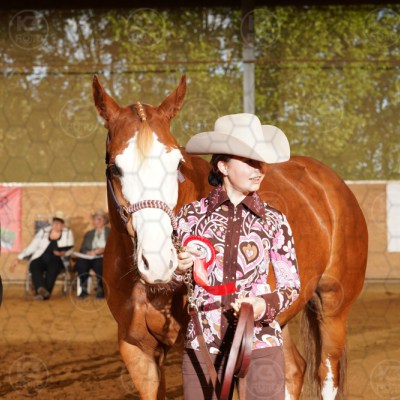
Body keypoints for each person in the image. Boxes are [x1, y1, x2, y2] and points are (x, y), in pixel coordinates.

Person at [175, 113, 301, 400]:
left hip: (261, 341)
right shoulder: (189, 217)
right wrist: (177, 269)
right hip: (203, 342)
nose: (259, 170)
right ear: (223, 166)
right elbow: (167, 283)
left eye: (261, 163)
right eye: (249, 162)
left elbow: (291, 285)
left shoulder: (275, 220)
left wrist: (263, 304)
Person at [10, 211, 74, 300]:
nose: (56, 225)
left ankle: (42, 294)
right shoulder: (43, 231)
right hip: (41, 257)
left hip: (56, 259)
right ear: (52, 223)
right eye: (55, 222)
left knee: (53, 269)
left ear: (62, 225)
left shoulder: (67, 233)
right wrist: (19, 258)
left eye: (59, 223)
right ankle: (41, 289)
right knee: (34, 265)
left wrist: (62, 253)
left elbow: (70, 249)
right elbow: (32, 246)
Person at [75, 209, 110, 300]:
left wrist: (103, 250)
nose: (97, 221)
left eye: (100, 219)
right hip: (89, 257)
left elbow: (115, 247)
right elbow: (83, 249)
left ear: (104, 221)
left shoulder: (110, 232)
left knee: (99, 264)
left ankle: (101, 289)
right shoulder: (89, 234)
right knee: (81, 263)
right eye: (95, 219)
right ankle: (83, 290)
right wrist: (89, 252)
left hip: (104, 257)